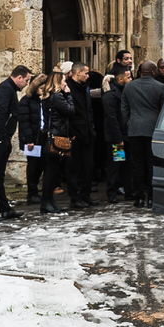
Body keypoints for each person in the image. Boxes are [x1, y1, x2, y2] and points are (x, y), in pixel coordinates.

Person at [0, 65, 31, 222]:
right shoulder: (5, 89)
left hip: (1, 136)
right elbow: (1, 112)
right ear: (19, 77)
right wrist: (1, 136)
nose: (27, 84)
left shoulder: (10, 89)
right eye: (27, 80)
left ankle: (5, 209)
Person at [121, 59, 164, 207]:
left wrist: (129, 123)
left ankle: (139, 196)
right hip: (153, 130)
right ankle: (151, 196)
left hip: (135, 129)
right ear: (154, 72)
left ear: (141, 72)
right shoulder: (160, 87)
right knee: (151, 164)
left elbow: (124, 109)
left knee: (137, 164)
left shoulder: (129, 87)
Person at [39, 64, 77, 214]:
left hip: (52, 134)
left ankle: (49, 201)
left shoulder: (49, 97)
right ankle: (46, 202)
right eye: (63, 81)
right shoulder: (57, 97)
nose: (65, 83)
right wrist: (68, 95)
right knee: (52, 172)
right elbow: (71, 111)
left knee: (53, 171)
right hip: (56, 136)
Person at [65, 62, 96, 208]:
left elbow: (88, 110)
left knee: (88, 166)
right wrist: (72, 133)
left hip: (87, 132)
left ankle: (86, 194)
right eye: (86, 72)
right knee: (74, 168)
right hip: (75, 134)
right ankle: (75, 197)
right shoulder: (68, 88)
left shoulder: (84, 88)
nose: (88, 75)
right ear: (78, 73)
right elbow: (67, 113)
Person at [100, 65, 131, 203]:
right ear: (120, 78)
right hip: (117, 137)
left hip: (125, 134)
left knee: (125, 165)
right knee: (115, 164)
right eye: (128, 77)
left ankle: (127, 191)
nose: (131, 79)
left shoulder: (123, 91)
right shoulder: (111, 95)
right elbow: (111, 118)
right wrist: (118, 138)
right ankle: (112, 192)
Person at [17, 79, 46, 204]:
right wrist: (29, 140)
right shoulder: (26, 101)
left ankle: (40, 191)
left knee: (42, 165)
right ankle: (32, 192)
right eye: (40, 86)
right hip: (33, 138)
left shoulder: (45, 100)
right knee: (33, 167)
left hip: (43, 136)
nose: (43, 88)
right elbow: (24, 121)